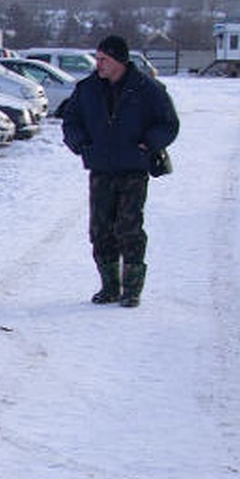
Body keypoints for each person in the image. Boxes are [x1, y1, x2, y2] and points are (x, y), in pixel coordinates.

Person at [61, 34, 179, 307]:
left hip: (133, 169)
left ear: (120, 61)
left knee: (129, 228)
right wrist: (80, 144)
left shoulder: (147, 89)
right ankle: (110, 287)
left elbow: (168, 123)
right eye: (97, 58)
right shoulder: (87, 89)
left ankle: (132, 289)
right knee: (100, 229)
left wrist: (149, 143)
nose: (98, 64)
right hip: (101, 169)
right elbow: (71, 120)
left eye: (104, 59)